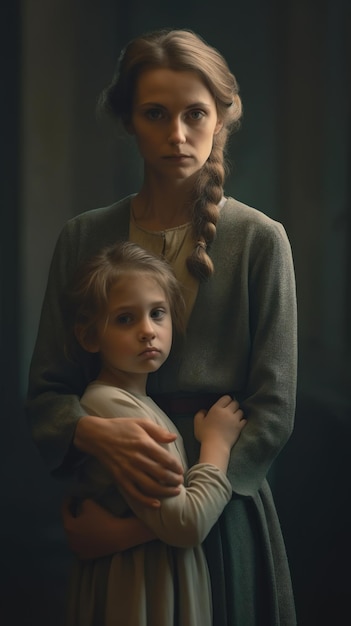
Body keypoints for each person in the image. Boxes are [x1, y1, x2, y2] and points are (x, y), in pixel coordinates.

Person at [26, 28, 298, 626]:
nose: (177, 135)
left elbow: (273, 409)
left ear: (222, 118)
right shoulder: (83, 238)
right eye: (155, 113)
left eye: (195, 114)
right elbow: (47, 392)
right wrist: (96, 436)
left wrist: (165, 518)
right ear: (128, 120)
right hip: (110, 500)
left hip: (221, 518)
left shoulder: (259, 240)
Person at [61, 240, 246, 625]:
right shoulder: (112, 408)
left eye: (157, 314)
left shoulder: (141, 404)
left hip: (156, 582)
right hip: (140, 593)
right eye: (125, 319)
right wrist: (216, 444)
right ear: (90, 336)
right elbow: (188, 523)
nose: (148, 331)